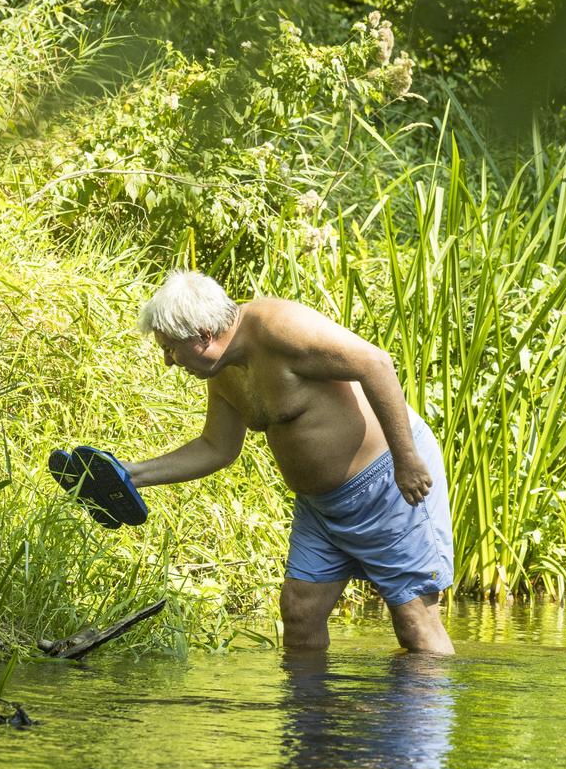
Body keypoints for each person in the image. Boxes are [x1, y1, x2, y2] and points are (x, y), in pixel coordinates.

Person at [124, 269, 455, 655]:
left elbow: (375, 363)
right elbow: (217, 447)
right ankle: (312, 715)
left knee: (414, 622)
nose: (168, 361)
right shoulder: (223, 370)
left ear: (202, 336)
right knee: (299, 614)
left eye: (170, 348)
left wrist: (407, 460)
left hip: (388, 485)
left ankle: (420, 714)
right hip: (321, 509)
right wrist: (134, 474)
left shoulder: (281, 328)